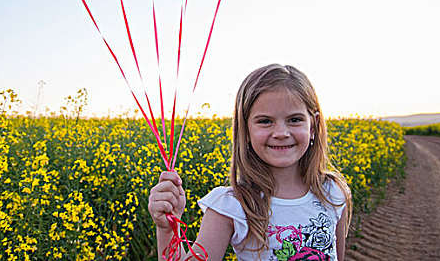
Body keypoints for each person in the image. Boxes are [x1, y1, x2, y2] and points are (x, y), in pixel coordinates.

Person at [148, 64, 352, 261]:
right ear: (245, 130)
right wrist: (167, 228)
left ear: (313, 126)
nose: (281, 133)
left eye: (295, 119)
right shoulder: (233, 205)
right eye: (265, 121)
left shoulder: (332, 193)